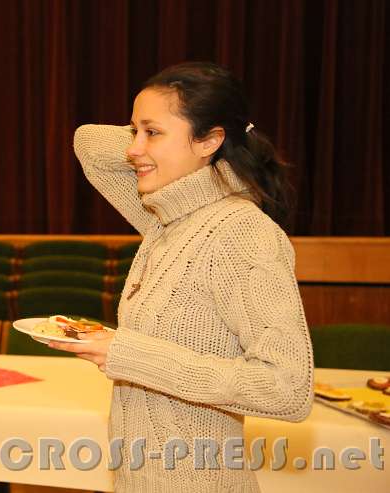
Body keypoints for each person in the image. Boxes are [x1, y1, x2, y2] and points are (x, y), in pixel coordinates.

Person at [50, 62, 314, 492]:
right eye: (133, 131)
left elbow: (288, 389)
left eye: (152, 132)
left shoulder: (241, 232)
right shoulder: (165, 217)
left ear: (210, 139)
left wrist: (130, 354)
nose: (134, 148)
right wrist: (156, 139)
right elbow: (88, 142)